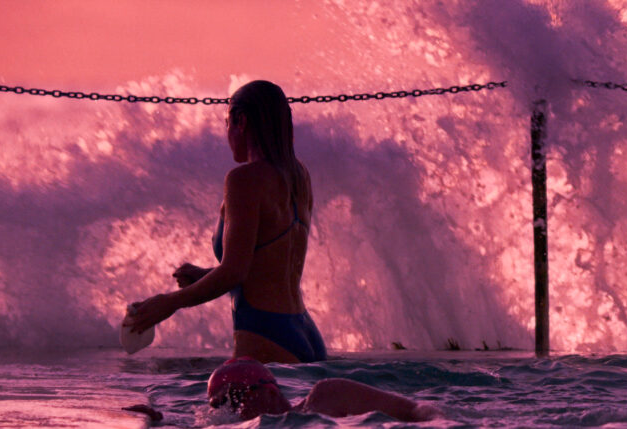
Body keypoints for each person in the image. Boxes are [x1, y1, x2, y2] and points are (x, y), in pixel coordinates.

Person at [124, 80, 327, 363]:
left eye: (227, 122)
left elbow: (234, 273)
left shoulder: (243, 180)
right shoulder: (298, 175)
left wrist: (168, 303)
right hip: (304, 332)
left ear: (241, 121)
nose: (227, 133)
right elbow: (265, 266)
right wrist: (206, 274)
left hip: (264, 332)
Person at [206, 357, 442, 421]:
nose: (231, 410)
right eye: (220, 405)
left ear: (270, 392)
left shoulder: (327, 396)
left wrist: (443, 424)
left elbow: (417, 410)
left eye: (235, 397)